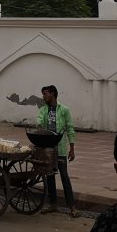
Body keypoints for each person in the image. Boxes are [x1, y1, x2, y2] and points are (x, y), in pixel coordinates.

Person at [36, 84, 77, 216]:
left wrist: (72, 149)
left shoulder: (64, 110)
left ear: (53, 94)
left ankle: (72, 207)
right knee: (49, 176)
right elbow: (39, 122)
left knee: (64, 177)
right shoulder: (43, 110)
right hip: (48, 149)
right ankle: (53, 204)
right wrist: (40, 124)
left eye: (45, 94)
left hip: (60, 149)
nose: (43, 96)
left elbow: (70, 128)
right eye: (43, 94)